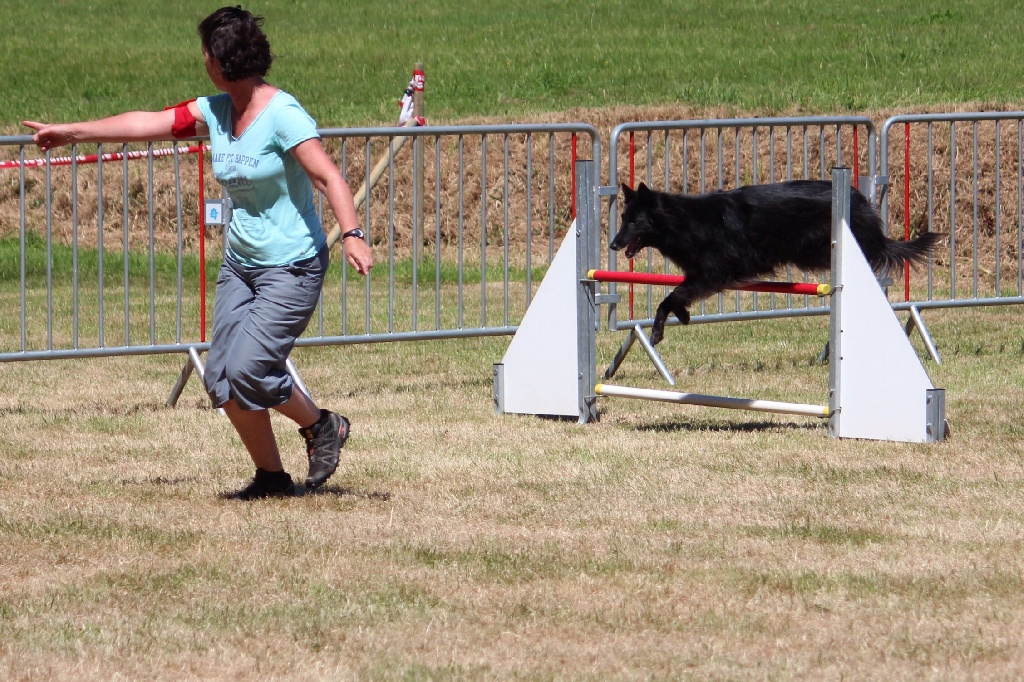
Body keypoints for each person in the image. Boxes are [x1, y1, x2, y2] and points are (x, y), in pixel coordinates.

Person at [23, 6, 374, 500]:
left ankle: (322, 426)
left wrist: (352, 232)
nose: (202, 60)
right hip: (242, 265)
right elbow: (148, 123)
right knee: (222, 380)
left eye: (205, 52)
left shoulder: (282, 113)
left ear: (219, 60)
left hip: (292, 265)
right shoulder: (215, 111)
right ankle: (271, 479)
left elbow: (327, 175)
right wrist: (72, 132)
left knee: (250, 370)